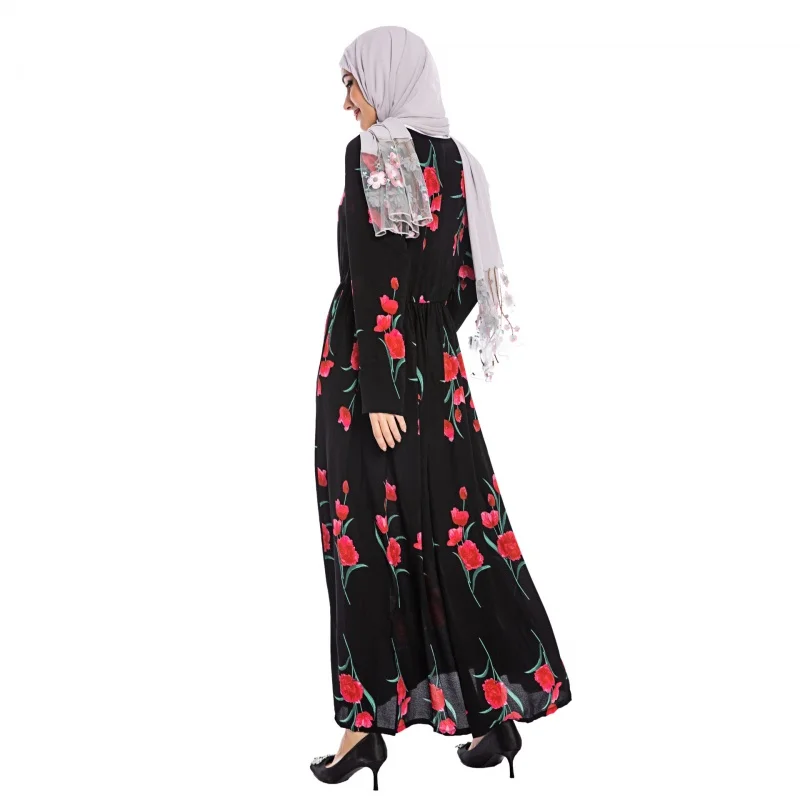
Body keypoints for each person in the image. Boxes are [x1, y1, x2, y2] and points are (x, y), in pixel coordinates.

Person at [311, 26, 572, 790]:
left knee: (367, 542)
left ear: (385, 80)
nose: (349, 101)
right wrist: (426, 355)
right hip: (439, 378)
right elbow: (462, 282)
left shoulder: (378, 154)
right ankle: (493, 717)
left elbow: (374, 273)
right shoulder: (458, 163)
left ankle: (364, 731)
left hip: (372, 384)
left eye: (353, 82)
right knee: (457, 537)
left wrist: (382, 385)